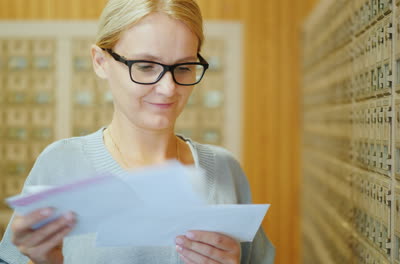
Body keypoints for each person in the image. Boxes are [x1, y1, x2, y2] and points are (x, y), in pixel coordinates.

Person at [0, 0, 275, 263]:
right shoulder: (59, 164)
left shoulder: (226, 171)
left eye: (184, 67)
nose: (168, 88)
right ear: (100, 61)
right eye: (145, 66)